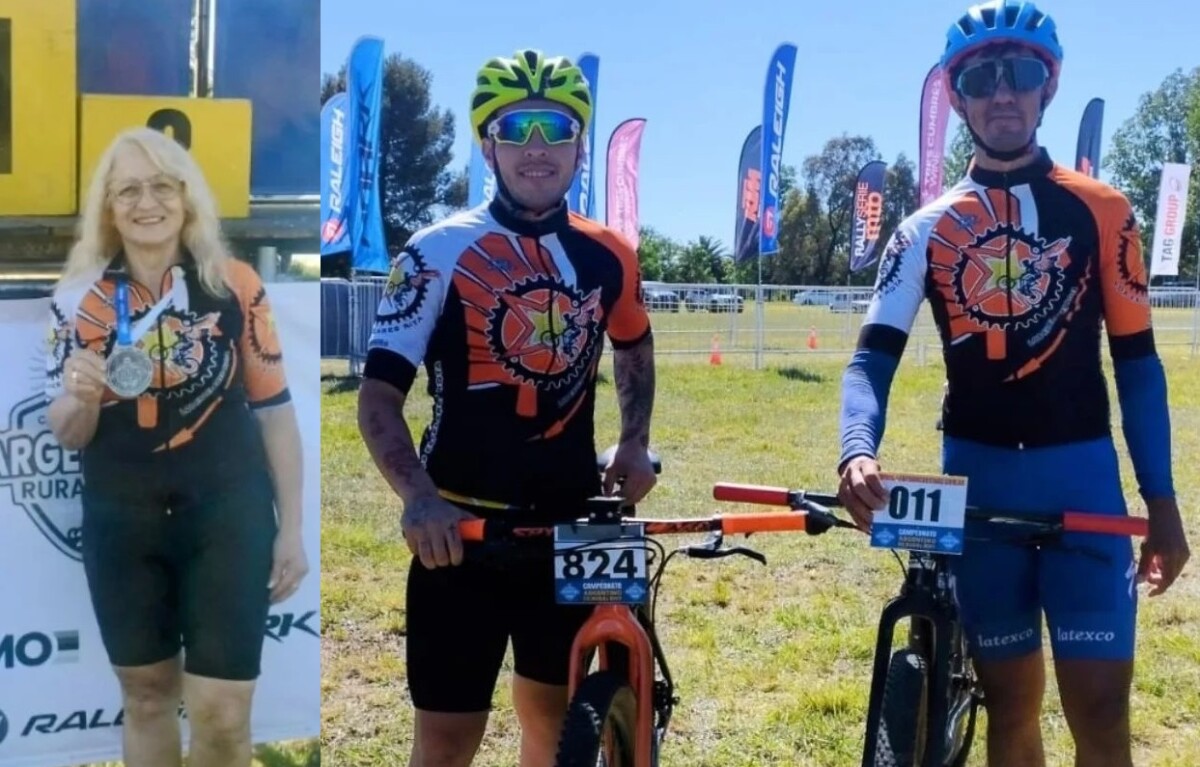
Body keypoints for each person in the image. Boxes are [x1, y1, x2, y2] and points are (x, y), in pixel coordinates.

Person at [836, 2, 1190, 766]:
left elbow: (1138, 364)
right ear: (956, 95)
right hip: (982, 483)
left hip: (1084, 483)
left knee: (1099, 713)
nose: (1003, 92)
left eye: (1021, 73)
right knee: (1010, 710)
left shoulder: (1105, 212)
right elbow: (872, 359)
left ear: (1048, 88)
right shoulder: (922, 228)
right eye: (982, 77)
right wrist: (855, 448)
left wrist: (1161, 502)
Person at [356, 49, 657, 767]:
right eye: (515, 127)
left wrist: (634, 439)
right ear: (488, 142)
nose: (536, 147)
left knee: (554, 726)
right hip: (458, 528)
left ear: (581, 144)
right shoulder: (436, 251)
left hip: (571, 522)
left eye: (554, 128)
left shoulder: (610, 252)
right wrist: (417, 498)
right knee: (445, 741)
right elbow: (377, 398)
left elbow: (635, 345)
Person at [45, 127, 308, 767]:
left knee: (222, 713)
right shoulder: (79, 297)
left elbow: (275, 414)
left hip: (226, 513)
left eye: (162, 185)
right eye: (127, 189)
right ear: (108, 209)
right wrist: (79, 396)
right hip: (122, 518)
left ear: (186, 198)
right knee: (146, 696)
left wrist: (292, 531)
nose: (146, 202)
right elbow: (68, 432)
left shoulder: (235, 285)